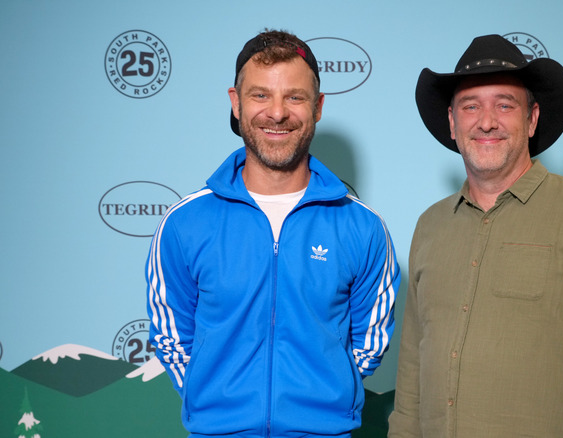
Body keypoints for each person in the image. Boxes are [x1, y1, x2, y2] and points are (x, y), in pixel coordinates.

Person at [387, 34, 563, 437]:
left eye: (504, 105)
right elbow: (411, 383)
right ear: (453, 123)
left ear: (532, 118)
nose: (486, 121)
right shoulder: (430, 226)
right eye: (470, 106)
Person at [146, 30, 399, 438]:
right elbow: (171, 332)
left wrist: (322, 394)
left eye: (294, 97)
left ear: (317, 107)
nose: (277, 113)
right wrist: (213, 396)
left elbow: (369, 341)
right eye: (260, 95)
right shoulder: (185, 223)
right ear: (236, 102)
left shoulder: (362, 226)